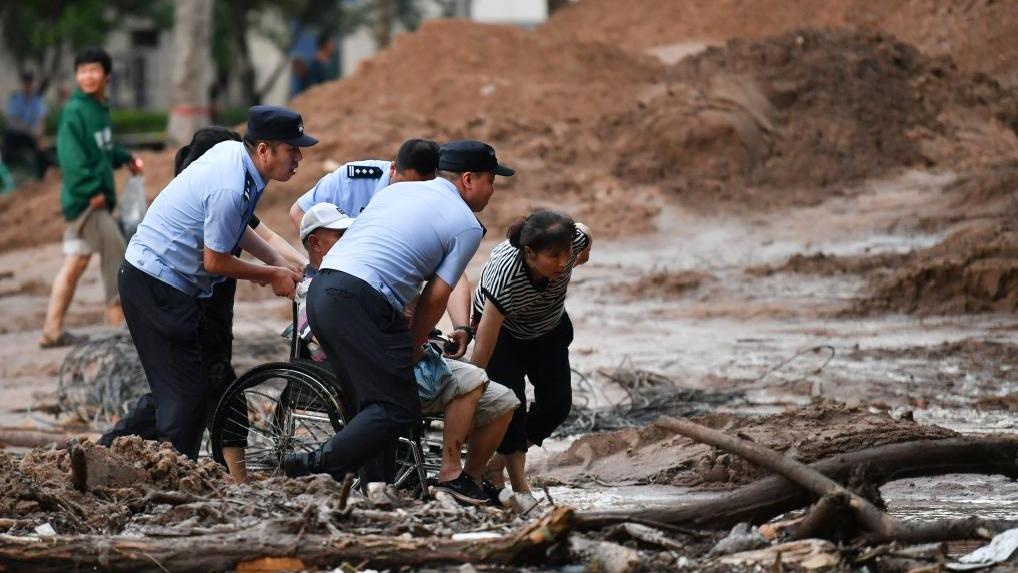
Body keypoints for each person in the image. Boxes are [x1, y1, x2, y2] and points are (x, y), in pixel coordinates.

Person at [283, 140, 513, 504]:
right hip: (361, 300)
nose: (492, 190)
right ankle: (315, 466)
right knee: (397, 405)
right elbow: (435, 295)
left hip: (325, 291)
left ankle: (379, 490)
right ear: (468, 180)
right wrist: (413, 345)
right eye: (490, 181)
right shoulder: (467, 224)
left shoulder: (398, 192)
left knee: (372, 404)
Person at [99, 126, 307, 483]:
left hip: (168, 285)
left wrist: (275, 262)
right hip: (158, 285)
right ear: (263, 150)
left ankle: (104, 455)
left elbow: (242, 227)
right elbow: (215, 262)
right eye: (292, 150)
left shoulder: (243, 170)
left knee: (181, 391)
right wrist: (270, 274)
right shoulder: (229, 183)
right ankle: (173, 485)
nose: (299, 158)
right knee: (186, 397)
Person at [290, 138, 476, 359]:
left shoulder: (432, 203)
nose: (409, 195)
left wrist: (461, 327)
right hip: (338, 287)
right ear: (393, 167)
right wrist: (327, 269)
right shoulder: (353, 179)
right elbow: (300, 213)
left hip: (392, 297)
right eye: (404, 184)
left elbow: (451, 273)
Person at [469, 209, 592, 497]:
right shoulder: (506, 275)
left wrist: (580, 256)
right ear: (530, 253)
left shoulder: (571, 245)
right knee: (510, 405)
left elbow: (584, 233)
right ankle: (521, 488)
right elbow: (485, 343)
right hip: (503, 333)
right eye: (553, 256)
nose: (563, 263)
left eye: (567, 254)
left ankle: (496, 463)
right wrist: (471, 386)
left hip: (547, 327)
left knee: (557, 405)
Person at [39, 48, 143, 349]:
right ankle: (120, 337)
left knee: (76, 261)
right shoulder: (75, 111)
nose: (87, 76)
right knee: (118, 256)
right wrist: (91, 191)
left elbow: (102, 152)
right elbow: (70, 158)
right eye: (82, 71)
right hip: (87, 201)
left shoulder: (99, 110)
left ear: (106, 76)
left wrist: (125, 158)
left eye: (93, 70)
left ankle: (51, 330)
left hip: (92, 199)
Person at [3, 71, 50, 179]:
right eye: (25, 83)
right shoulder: (15, 98)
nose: (27, 86)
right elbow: (13, 120)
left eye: (29, 83)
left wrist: (39, 132)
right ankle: (7, 174)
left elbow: (41, 118)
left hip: (31, 135)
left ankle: (42, 177)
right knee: (7, 149)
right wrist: (30, 130)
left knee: (42, 152)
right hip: (16, 134)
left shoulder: (36, 99)